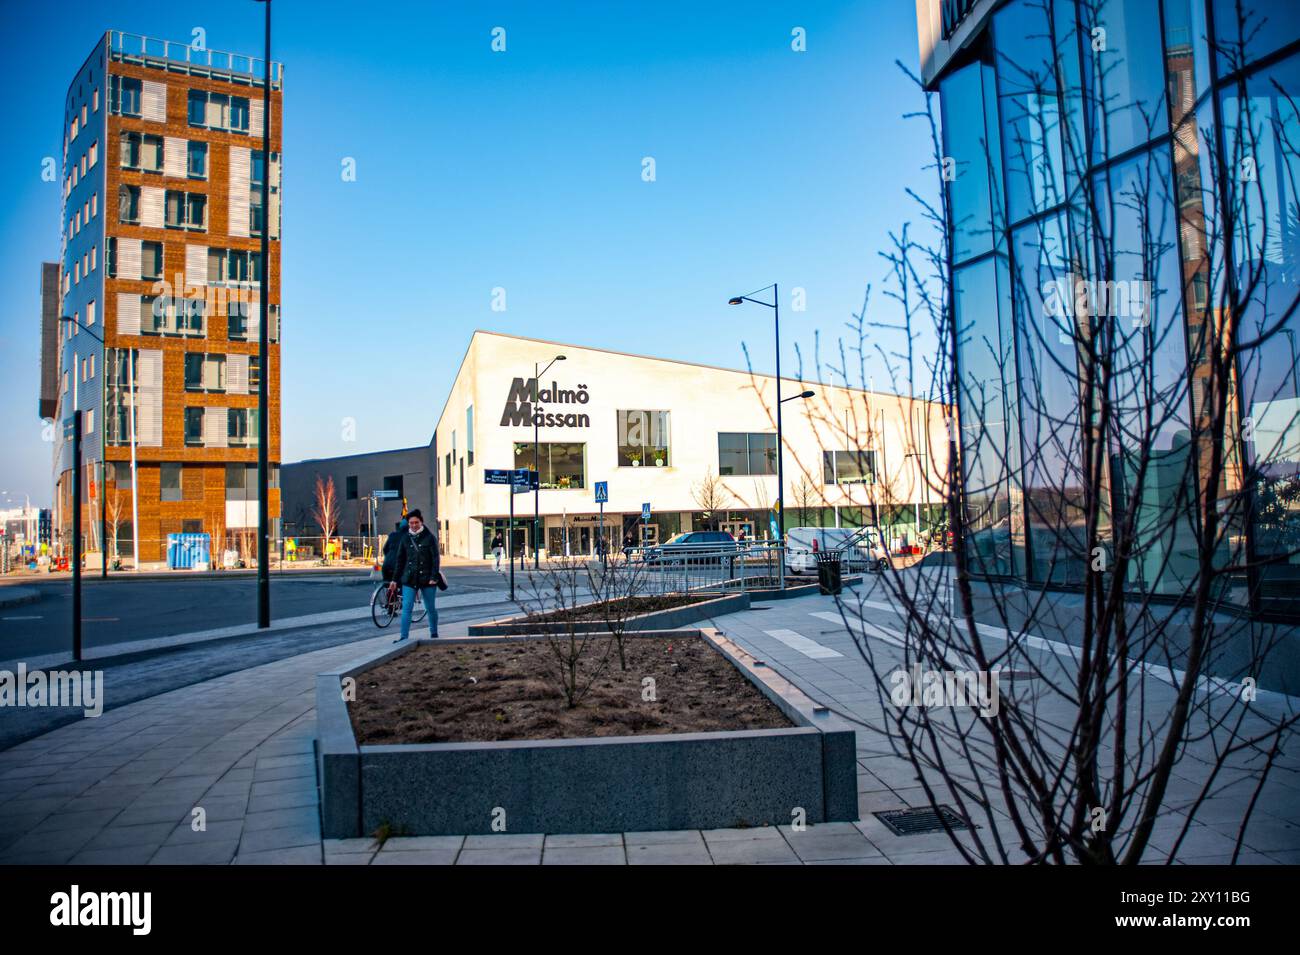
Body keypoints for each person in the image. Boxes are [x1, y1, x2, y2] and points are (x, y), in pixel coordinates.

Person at [388, 510, 440, 642]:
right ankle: (403, 637)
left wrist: (434, 577)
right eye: (411, 523)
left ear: (421, 522)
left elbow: (435, 558)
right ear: (408, 524)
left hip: (428, 578)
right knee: (407, 609)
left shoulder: (429, 537)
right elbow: (400, 560)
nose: (414, 525)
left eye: (416, 522)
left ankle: (434, 633)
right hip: (409, 578)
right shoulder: (405, 538)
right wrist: (394, 579)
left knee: (430, 608)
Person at [381, 519, 407, 584]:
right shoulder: (409, 537)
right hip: (399, 568)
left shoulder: (392, 535)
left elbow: (385, 549)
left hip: (386, 566)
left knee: (390, 584)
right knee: (408, 583)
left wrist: (389, 557)